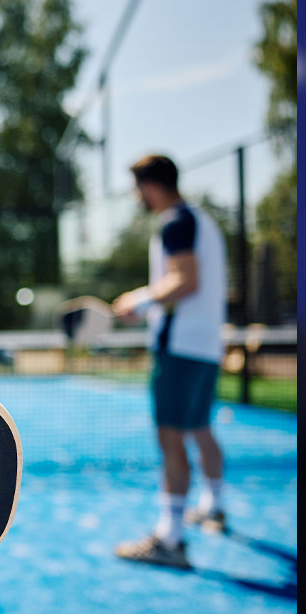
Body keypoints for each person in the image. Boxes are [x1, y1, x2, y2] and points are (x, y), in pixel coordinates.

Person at [112, 154, 227, 569]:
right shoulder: (203, 221)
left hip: (179, 348)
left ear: (152, 186)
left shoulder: (176, 222)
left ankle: (171, 539)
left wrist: (139, 302)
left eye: (137, 187)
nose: (135, 196)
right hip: (206, 346)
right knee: (200, 429)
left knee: (171, 439)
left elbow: (185, 280)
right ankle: (213, 505)